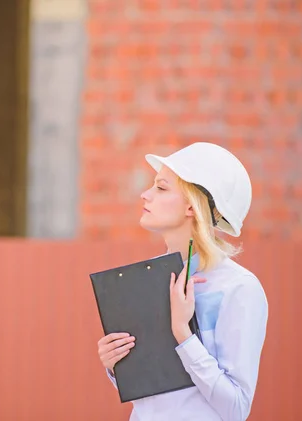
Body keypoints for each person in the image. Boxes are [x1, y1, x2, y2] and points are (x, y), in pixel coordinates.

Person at [97, 142, 268, 421]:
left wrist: (183, 334)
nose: (145, 194)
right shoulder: (149, 280)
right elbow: (155, 402)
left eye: (161, 188)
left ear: (192, 206)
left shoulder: (239, 288)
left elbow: (236, 408)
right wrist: (117, 364)